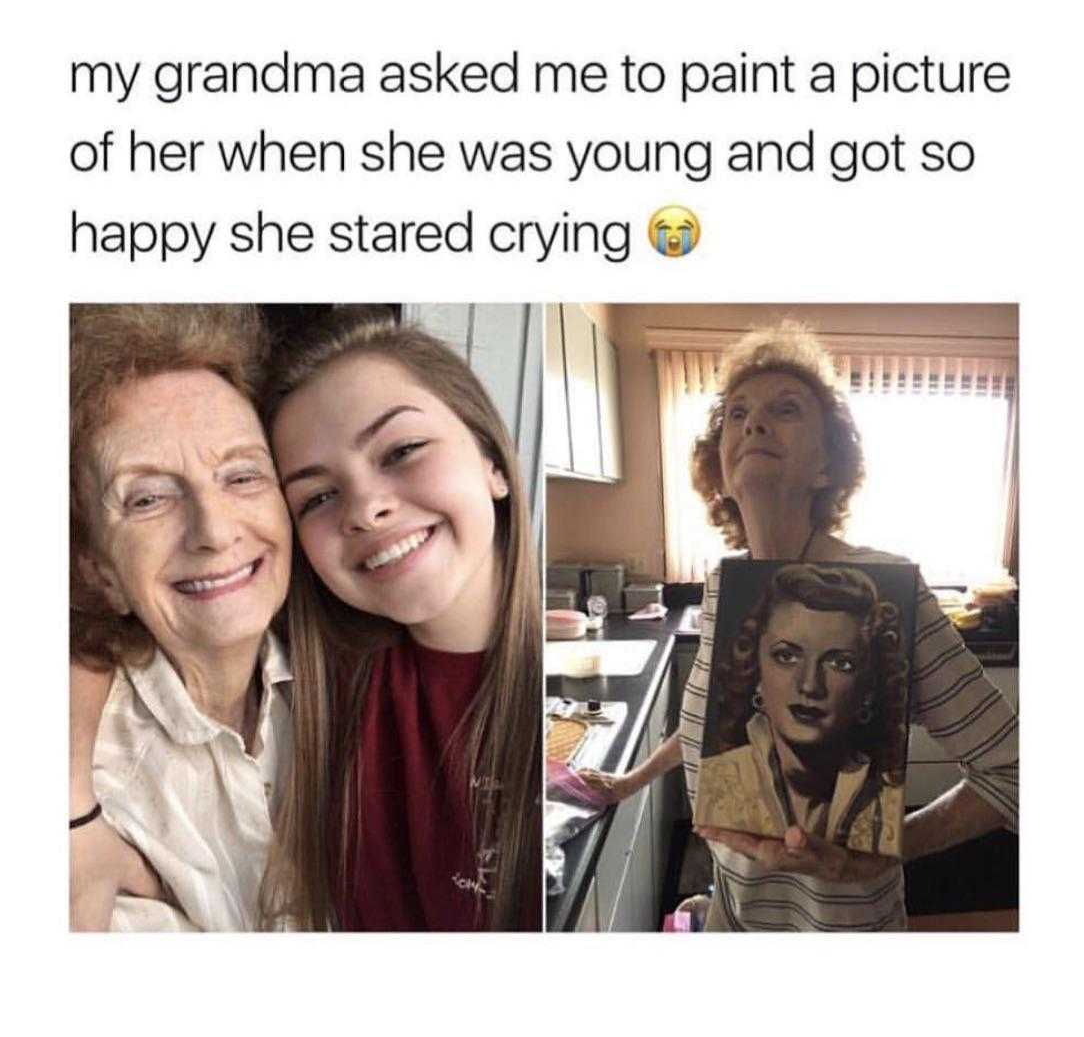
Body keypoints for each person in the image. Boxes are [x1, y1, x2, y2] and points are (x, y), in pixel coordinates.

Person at [579, 324, 1018, 931]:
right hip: (733, 918)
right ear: (721, 469)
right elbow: (712, 722)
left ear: (826, 465)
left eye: (785, 410)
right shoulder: (727, 588)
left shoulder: (885, 593)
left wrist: (888, 848)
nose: (753, 424)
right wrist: (628, 783)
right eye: (737, 414)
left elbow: (1018, 770)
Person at [258, 311, 541, 931]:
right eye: (318, 497)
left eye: (403, 450)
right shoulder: (312, 678)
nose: (365, 509)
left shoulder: (548, 693)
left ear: (492, 460)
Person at [69, 304, 293, 931]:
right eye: (147, 498)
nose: (215, 531)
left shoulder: (353, 680)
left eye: (242, 475)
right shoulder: (86, 786)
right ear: (98, 570)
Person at [696, 564, 909, 858]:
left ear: (868, 689)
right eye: (786, 656)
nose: (810, 685)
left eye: (840, 663)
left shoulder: (883, 797)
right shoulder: (723, 780)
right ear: (755, 670)